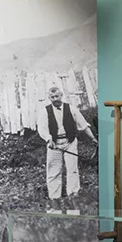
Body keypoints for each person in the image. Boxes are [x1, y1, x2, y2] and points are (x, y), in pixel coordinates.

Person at [36, 86, 97, 214]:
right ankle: (55, 203)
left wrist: (93, 139)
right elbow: (42, 129)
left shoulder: (71, 108)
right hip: (54, 144)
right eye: (52, 97)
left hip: (70, 142)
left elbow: (83, 124)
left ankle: (73, 201)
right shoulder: (45, 111)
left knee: (72, 170)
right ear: (49, 98)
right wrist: (48, 139)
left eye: (57, 96)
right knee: (53, 171)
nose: (55, 99)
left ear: (61, 95)